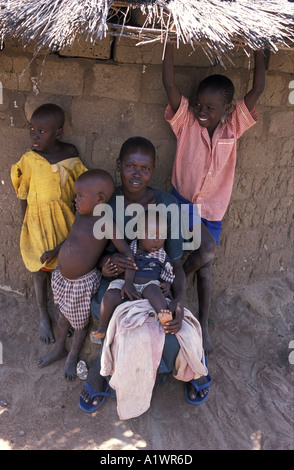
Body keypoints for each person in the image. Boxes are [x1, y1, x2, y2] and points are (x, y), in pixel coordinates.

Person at [79, 136, 210, 413]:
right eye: (129, 166)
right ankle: (102, 366)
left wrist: (181, 299)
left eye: (145, 168)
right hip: (117, 279)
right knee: (120, 322)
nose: (137, 174)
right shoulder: (105, 200)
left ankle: (190, 366)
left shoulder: (166, 205)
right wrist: (105, 261)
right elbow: (89, 251)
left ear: (153, 170)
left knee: (174, 327)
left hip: (154, 279)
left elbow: (174, 263)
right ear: (118, 166)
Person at [162, 43, 269, 355]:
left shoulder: (233, 127)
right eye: (199, 105)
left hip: (211, 211)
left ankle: (203, 322)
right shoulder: (186, 122)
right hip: (181, 204)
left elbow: (259, 87)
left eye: (211, 107)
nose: (202, 111)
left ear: (227, 109)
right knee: (206, 250)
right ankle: (174, 286)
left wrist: (259, 46)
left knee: (206, 267)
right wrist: (169, 38)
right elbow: (169, 83)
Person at [37, 169, 137, 380]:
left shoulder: (106, 223)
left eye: (80, 196)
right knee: (63, 318)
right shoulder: (81, 215)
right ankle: (59, 349)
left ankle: (72, 356)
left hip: (81, 284)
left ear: (100, 199)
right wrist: (54, 252)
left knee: (79, 325)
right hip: (63, 278)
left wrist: (128, 282)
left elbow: (127, 252)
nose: (76, 199)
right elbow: (71, 239)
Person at [11, 103, 87, 344]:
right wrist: (26, 224)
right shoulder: (29, 159)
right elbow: (23, 194)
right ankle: (43, 314)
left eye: (42, 131)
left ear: (58, 133)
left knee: (62, 271)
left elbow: (81, 187)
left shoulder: (71, 155)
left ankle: (61, 311)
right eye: (32, 129)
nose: (34, 135)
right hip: (37, 226)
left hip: (64, 224)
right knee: (39, 271)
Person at [92, 209, 175, 340]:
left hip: (149, 283)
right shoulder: (131, 248)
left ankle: (164, 317)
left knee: (155, 293)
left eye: (161, 236)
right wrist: (128, 283)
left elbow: (168, 271)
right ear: (137, 233)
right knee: (109, 296)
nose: (156, 240)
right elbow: (129, 264)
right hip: (126, 282)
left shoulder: (161, 254)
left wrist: (168, 284)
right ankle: (102, 327)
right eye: (151, 235)